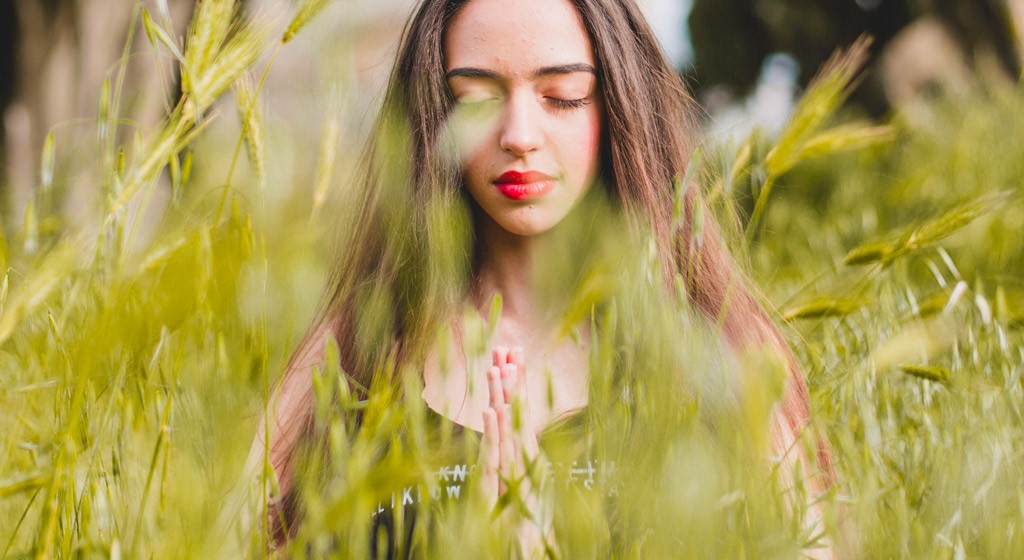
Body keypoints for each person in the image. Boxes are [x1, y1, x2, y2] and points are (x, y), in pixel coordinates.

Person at [250, 0, 835, 555]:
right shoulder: (347, 359)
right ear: (434, 115)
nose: (519, 134)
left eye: (562, 96)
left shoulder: (725, 351)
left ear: (621, 105)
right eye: (476, 99)